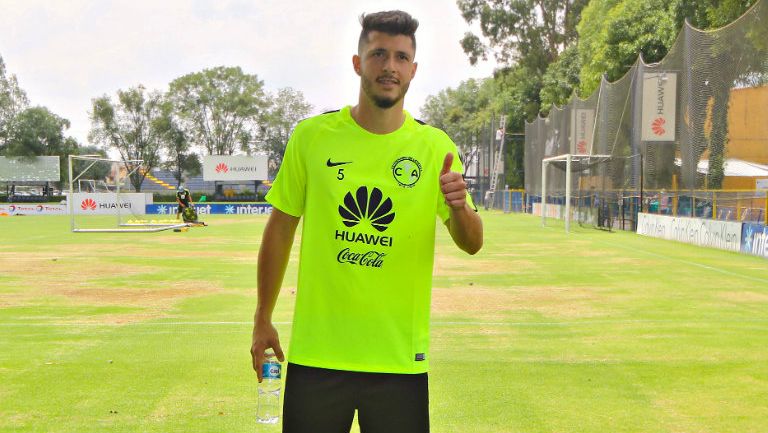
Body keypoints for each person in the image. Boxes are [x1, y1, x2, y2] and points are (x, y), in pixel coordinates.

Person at [250, 10, 483, 433]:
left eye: (400, 57)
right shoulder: (312, 137)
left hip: (399, 361)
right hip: (317, 357)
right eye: (378, 54)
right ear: (358, 63)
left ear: (413, 70)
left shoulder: (435, 148)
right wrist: (262, 317)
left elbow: (472, 242)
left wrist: (460, 207)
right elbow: (280, 230)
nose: (389, 66)